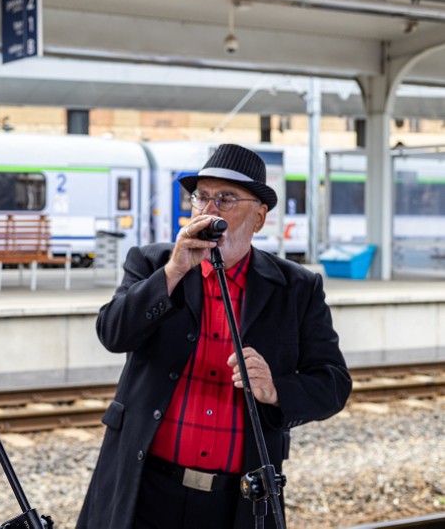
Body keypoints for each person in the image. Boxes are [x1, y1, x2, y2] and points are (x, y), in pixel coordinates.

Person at [77, 144, 352, 529]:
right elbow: (112, 333)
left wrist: (275, 390)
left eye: (225, 199)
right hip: (144, 488)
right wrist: (173, 272)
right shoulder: (153, 263)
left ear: (258, 218)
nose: (208, 211)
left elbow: (334, 384)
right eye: (201, 198)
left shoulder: (296, 288)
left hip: (238, 500)